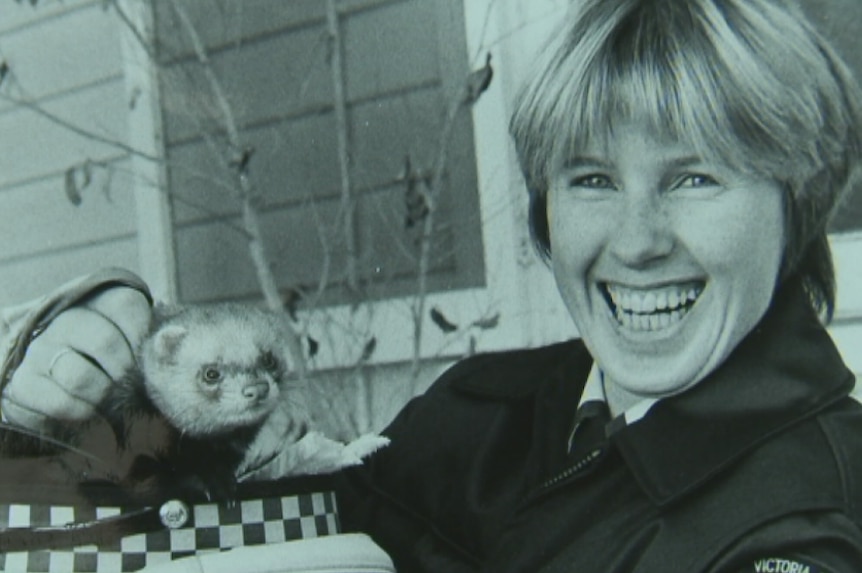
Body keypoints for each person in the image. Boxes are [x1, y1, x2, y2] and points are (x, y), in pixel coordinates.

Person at [2, 0, 862, 571]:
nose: (636, 243)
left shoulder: (804, 523)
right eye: (592, 179)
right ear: (545, 213)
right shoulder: (485, 408)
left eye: (696, 178)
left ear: (797, 203)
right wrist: (102, 360)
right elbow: (198, 512)